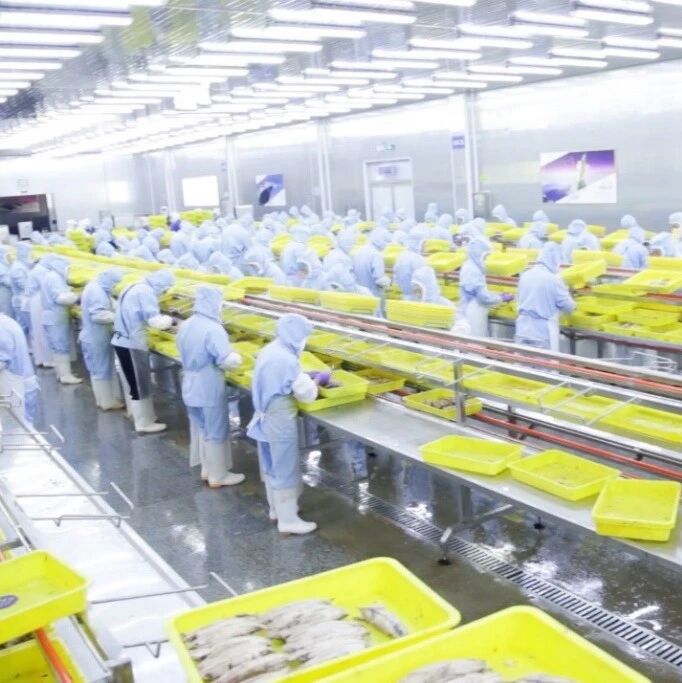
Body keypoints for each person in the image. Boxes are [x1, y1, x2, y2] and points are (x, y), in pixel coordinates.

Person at [247, 314, 321, 534]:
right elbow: (306, 394)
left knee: (272, 464)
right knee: (285, 466)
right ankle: (288, 521)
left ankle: (276, 510)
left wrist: (302, 376)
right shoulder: (286, 359)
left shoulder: (270, 350)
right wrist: (316, 381)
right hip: (279, 418)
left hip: (264, 413)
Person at [177, 286, 244, 488]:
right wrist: (238, 358)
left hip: (189, 382)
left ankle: (207, 470)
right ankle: (218, 476)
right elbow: (226, 360)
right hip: (208, 385)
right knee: (216, 430)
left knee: (204, 428)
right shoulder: (213, 329)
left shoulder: (187, 324)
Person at [111, 269, 175, 433]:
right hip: (131, 343)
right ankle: (143, 424)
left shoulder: (134, 286)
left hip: (122, 340)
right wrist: (171, 321)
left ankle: (142, 417)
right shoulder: (145, 292)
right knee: (138, 384)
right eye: (165, 289)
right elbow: (155, 321)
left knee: (133, 382)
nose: (164, 292)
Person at [515, 243, 576, 351]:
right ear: (555, 259)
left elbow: (518, 299)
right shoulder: (553, 280)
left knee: (523, 359)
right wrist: (570, 295)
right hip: (541, 332)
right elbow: (568, 307)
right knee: (542, 361)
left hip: (522, 327)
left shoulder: (526, 275)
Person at [79, 268, 125, 410]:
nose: (114, 286)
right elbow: (98, 315)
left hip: (92, 335)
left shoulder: (95, 287)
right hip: (96, 337)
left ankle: (101, 400)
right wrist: (120, 317)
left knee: (97, 370)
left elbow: (108, 303)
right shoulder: (96, 291)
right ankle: (107, 402)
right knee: (102, 369)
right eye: (114, 283)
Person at [456, 238, 510, 337]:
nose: (486, 259)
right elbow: (484, 298)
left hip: (471, 309)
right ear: (478, 254)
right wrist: (501, 298)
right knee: (474, 339)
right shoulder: (473, 270)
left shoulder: (471, 265)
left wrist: (496, 295)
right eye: (485, 256)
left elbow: (479, 291)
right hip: (473, 312)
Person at [40, 256, 81, 385]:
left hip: (53, 316)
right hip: (55, 317)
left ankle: (62, 373)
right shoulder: (54, 278)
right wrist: (77, 296)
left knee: (57, 346)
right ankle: (65, 375)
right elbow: (60, 298)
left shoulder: (52, 276)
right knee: (60, 346)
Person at [0, 313, 39, 424]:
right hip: (13, 386)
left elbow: (2, 360)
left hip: (14, 388)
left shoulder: (2, 328)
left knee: (15, 430)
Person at [352, 227, 391, 298]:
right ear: (380, 240)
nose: (386, 245)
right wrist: (389, 281)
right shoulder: (376, 255)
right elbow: (379, 280)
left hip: (359, 293)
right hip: (373, 294)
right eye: (386, 241)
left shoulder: (359, 252)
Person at [394, 225, 428, 298]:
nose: (425, 247)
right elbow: (423, 283)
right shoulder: (418, 259)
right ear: (418, 243)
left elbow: (396, 279)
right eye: (424, 243)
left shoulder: (401, 256)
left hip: (404, 296)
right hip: (417, 298)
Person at [0, 247, 12, 317]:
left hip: (8, 292)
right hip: (4, 293)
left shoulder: (5, 264)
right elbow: (7, 281)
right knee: (6, 313)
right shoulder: (1, 267)